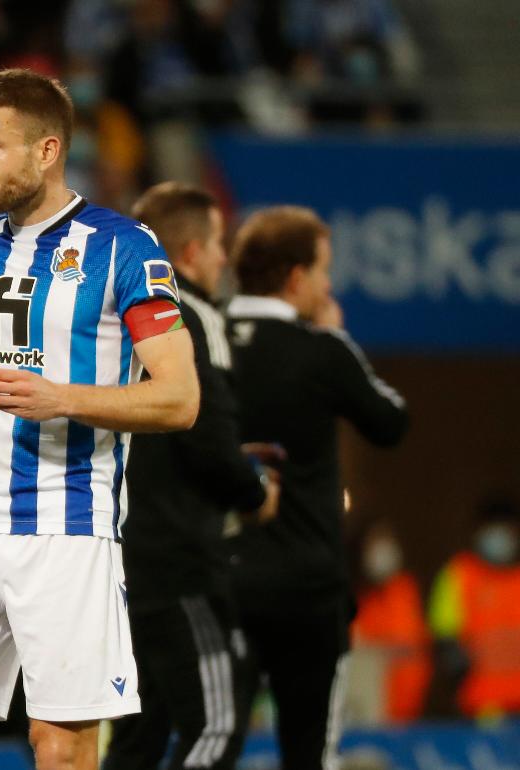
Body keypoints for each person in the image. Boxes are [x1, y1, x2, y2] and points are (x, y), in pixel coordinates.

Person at [0, 69, 200, 770]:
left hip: (68, 531)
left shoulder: (125, 247)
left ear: (47, 151)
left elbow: (180, 399)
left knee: (59, 751)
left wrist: (64, 397)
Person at [225, 206, 409, 769]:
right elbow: (391, 420)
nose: (329, 285)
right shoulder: (321, 351)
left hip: (222, 582)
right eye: (324, 271)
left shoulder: (201, 342)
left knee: (212, 744)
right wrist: (334, 337)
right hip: (308, 588)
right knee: (309, 754)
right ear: (297, 278)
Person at [103, 182, 279, 770]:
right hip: (179, 557)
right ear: (190, 250)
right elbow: (210, 441)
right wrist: (254, 491)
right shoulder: (193, 317)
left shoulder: (111, 309)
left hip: (118, 555)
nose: (223, 257)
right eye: (216, 243)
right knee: (218, 723)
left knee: (140, 735)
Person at [428, 496, 520, 718]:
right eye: (492, 527)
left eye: (506, 528)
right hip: (479, 709)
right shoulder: (460, 574)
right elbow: (444, 638)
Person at [351, 519, 431, 723]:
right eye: (374, 545)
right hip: (373, 712)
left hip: (408, 711)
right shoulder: (363, 602)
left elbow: (410, 645)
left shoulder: (407, 593)